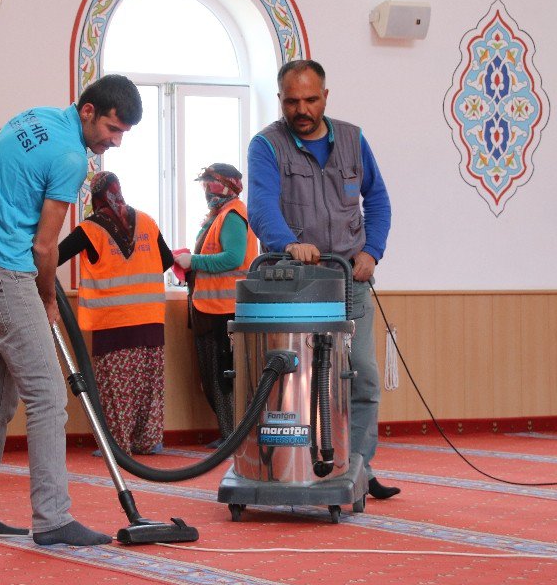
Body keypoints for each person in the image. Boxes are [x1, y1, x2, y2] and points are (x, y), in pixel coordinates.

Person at [0, 74, 142, 546]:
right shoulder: (71, 157)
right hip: (6, 274)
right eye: (112, 130)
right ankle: (53, 518)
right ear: (87, 111)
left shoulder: (33, 116)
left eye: (122, 135)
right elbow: (44, 246)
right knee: (49, 397)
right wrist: (48, 298)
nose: (114, 144)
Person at [246, 59, 400, 500]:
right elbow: (260, 205)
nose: (302, 109)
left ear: (325, 97)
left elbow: (379, 199)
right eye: (292, 101)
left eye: (311, 99)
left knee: (363, 377)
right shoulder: (267, 145)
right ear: (280, 100)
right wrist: (286, 243)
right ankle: (294, 466)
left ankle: (358, 470)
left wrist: (373, 251)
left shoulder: (353, 139)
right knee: (302, 382)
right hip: (295, 285)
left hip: (350, 281)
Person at [58, 171, 173, 456]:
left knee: (116, 391)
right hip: (150, 318)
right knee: (149, 386)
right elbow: (168, 260)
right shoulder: (146, 220)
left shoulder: (92, 227)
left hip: (113, 322)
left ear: (96, 198)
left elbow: (55, 255)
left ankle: (117, 446)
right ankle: (149, 441)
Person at [174, 163, 257, 447]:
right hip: (210, 309)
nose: (207, 189)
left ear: (227, 185)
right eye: (205, 183)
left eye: (212, 182)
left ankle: (234, 435)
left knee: (224, 376)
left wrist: (193, 261)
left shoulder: (232, 215)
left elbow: (233, 258)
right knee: (215, 376)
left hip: (224, 310)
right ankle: (228, 433)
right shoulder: (219, 216)